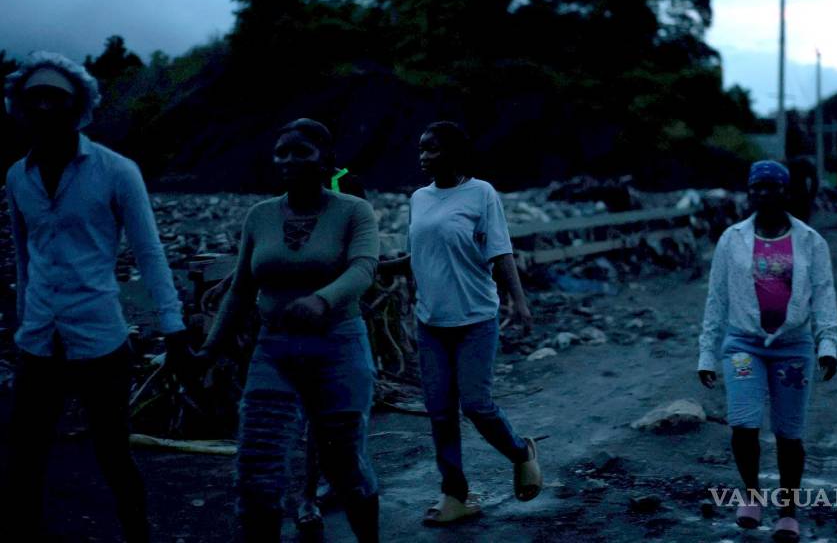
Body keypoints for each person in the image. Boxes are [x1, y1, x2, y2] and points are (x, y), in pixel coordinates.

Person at [2, 52, 193, 542]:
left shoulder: (116, 171)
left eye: (56, 98)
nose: (45, 107)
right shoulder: (16, 177)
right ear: (20, 107)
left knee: (112, 453)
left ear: (79, 106)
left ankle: (137, 535)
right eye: (34, 98)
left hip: (100, 338)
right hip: (38, 340)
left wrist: (173, 328)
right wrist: (20, 321)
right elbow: (26, 259)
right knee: (25, 455)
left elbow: (149, 252)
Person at [199, 118, 380, 543]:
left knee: (344, 467)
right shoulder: (259, 216)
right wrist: (208, 351)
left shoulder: (355, 211)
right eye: (282, 152)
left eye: (302, 151)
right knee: (256, 471)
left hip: (338, 345)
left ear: (326, 160)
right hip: (273, 350)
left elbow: (364, 267)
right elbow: (241, 290)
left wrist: (323, 300)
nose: (289, 160)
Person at [697, 160, 837, 543]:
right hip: (743, 345)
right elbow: (717, 298)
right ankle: (751, 494)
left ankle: (788, 512)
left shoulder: (810, 241)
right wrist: (706, 354)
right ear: (749, 192)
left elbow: (825, 295)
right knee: (743, 422)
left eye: (772, 186)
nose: (764, 193)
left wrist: (828, 344)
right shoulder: (732, 239)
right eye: (756, 187)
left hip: (793, 348)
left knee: (788, 434)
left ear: (786, 191)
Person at [407, 121, 542, 525]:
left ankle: (521, 453)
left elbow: (500, 251)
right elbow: (417, 252)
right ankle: (455, 494)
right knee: (439, 411)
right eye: (421, 149)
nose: (423, 156)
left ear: (454, 153)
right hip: (429, 319)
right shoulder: (417, 198)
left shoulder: (481, 193)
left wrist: (519, 302)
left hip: (475, 318)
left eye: (432, 149)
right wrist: (379, 267)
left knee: (477, 405)